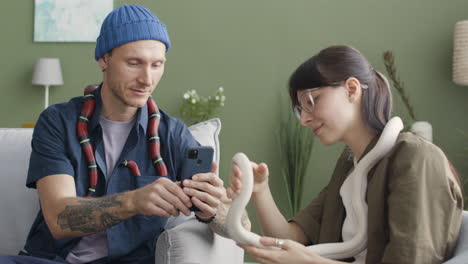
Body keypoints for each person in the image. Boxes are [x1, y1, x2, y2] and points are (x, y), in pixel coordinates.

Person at [0, 4, 225, 264]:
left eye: (157, 65)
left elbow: (233, 224)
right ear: (103, 60)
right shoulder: (57, 121)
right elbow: (60, 219)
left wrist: (217, 209)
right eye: (134, 63)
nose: (147, 79)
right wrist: (133, 201)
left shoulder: (171, 134)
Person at [230, 45, 464, 263]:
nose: (304, 119)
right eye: (300, 109)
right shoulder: (350, 166)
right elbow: (291, 239)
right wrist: (260, 189)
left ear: (351, 89)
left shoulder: (416, 158)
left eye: (312, 100)